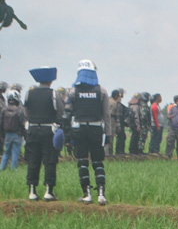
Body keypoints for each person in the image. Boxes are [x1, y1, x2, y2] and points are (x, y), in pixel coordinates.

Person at [65, 60, 110, 205]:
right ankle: (101, 195)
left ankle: (87, 194)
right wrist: (108, 134)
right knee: (98, 161)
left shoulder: (73, 91)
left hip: (80, 129)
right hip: (96, 129)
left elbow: (67, 113)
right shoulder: (102, 91)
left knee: (82, 161)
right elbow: (106, 115)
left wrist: (67, 134)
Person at [22, 67, 64, 201]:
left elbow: (25, 112)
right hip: (48, 130)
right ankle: (49, 191)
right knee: (49, 161)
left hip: (32, 130)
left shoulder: (29, 93)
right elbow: (60, 112)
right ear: (51, 80)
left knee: (33, 161)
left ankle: (32, 191)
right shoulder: (53, 94)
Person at [0, 89, 26, 171]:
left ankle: (1, 168)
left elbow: (0, 123)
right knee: (15, 153)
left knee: (6, 152)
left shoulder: (4, 110)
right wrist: (25, 135)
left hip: (7, 134)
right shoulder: (20, 110)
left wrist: (1, 135)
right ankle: (13, 169)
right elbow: (22, 124)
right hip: (17, 135)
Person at [106, 89, 121, 156]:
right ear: (115, 96)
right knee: (111, 137)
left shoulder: (106, 100)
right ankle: (110, 153)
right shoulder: (114, 103)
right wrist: (118, 125)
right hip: (111, 120)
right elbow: (116, 115)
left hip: (104, 120)